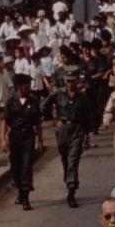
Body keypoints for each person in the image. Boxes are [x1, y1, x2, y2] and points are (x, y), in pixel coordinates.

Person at [42, 71, 91, 208]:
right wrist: (54, 120)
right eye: (68, 81)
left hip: (77, 129)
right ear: (64, 81)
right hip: (63, 129)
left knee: (73, 160)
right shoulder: (58, 94)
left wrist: (87, 137)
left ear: (77, 81)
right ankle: (69, 178)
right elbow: (44, 106)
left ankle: (71, 192)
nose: (70, 84)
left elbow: (87, 117)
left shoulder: (82, 97)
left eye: (73, 81)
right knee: (65, 158)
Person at [1, 73, 44, 211]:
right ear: (19, 87)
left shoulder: (33, 101)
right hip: (14, 136)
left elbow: (38, 122)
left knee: (26, 167)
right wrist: (3, 140)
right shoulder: (11, 101)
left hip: (28, 137)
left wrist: (40, 141)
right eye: (26, 85)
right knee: (15, 168)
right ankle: (20, 191)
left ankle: (25, 198)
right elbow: (4, 120)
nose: (29, 87)